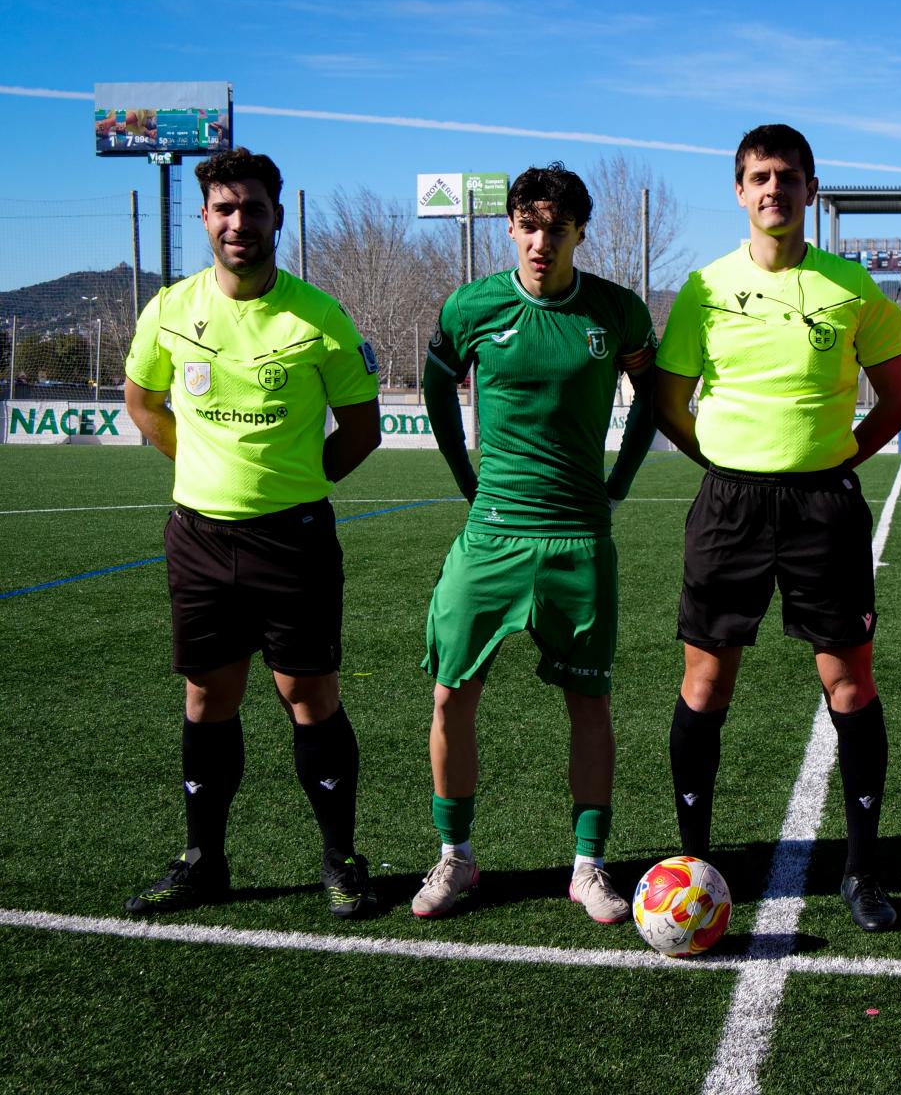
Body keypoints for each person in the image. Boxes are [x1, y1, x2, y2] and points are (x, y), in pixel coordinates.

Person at [654, 124, 901, 932]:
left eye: (789, 176)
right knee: (706, 685)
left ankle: (862, 869)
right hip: (728, 507)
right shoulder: (704, 288)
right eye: (761, 176)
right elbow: (670, 401)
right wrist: (724, 462)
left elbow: (899, 399)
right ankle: (694, 864)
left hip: (822, 509)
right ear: (740, 191)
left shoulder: (852, 288)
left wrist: (837, 458)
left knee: (850, 682)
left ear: (811, 189)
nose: (775, 189)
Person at [122, 148, 382, 919]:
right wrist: (200, 465)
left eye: (254, 209)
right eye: (225, 209)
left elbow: (362, 429)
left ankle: (341, 860)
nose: (240, 222)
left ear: (278, 217)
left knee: (309, 694)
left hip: (293, 540)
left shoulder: (320, 317)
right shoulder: (169, 309)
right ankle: (203, 861)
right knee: (208, 696)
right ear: (205, 217)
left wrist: (297, 479)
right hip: (199, 538)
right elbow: (142, 402)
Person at [410, 164, 657, 923]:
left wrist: (618, 484)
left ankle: (588, 867)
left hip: (579, 539)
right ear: (510, 227)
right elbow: (436, 387)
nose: (540, 241)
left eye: (556, 227)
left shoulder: (616, 311)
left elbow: (653, 395)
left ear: (580, 232)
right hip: (491, 536)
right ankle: (456, 857)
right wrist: (465, 477)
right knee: (450, 695)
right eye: (527, 225)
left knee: (591, 702)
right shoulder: (472, 306)